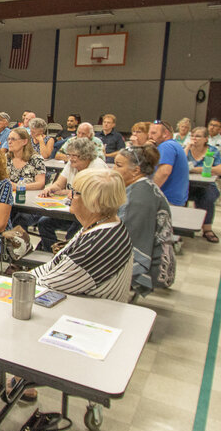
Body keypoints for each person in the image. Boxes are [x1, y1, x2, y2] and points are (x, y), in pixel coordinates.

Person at [34, 169, 133, 302]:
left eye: (75, 193)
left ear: (94, 201)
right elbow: (54, 264)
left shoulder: (98, 243)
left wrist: (20, 281)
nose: (69, 197)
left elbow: (49, 284)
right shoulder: (101, 225)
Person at [114, 145, 176, 295]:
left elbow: (128, 241)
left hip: (154, 268)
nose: (113, 170)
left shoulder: (139, 198)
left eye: (118, 165)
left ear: (136, 170)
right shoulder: (143, 186)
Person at [36, 138, 107, 252]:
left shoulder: (97, 166)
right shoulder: (71, 163)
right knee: (44, 223)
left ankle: (66, 256)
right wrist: (50, 189)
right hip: (70, 209)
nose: (71, 158)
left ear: (86, 156)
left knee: (72, 234)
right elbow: (59, 184)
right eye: (69, 155)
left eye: (75, 155)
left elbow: (93, 194)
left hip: (89, 214)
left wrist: (68, 192)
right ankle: (54, 254)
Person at [185, 126, 221, 243]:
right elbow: (179, 163)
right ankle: (178, 227)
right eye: (192, 136)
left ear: (206, 139)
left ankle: (207, 229)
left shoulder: (212, 151)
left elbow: (220, 169)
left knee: (206, 197)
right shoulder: (186, 150)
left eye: (198, 136)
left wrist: (195, 169)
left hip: (206, 185)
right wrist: (187, 147)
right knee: (177, 195)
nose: (194, 139)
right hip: (187, 184)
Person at [148, 121, 188, 206]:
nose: (150, 136)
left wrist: (148, 193)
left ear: (165, 134)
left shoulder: (166, 146)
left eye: (153, 133)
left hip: (166, 200)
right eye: (149, 133)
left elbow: (164, 172)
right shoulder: (174, 145)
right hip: (176, 199)